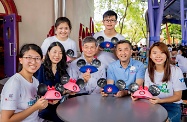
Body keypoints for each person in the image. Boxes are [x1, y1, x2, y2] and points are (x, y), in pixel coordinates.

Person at [1, 44, 48, 122]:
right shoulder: (14, 84)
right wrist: (35, 107)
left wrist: (45, 103)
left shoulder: (35, 81)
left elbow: (34, 111)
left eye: (37, 58)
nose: (33, 62)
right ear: (21, 60)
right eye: (28, 57)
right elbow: (5, 120)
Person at [144, 42, 186, 122]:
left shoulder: (176, 70)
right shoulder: (148, 71)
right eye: (154, 53)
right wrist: (138, 95)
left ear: (167, 55)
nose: (158, 56)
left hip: (173, 106)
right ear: (150, 56)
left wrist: (160, 100)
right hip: (154, 105)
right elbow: (146, 91)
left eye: (162, 53)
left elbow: (178, 96)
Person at [35, 42, 68, 122]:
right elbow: (37, 89)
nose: (57, 55)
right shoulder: (41, 68)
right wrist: (49, 100)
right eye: (54, 52)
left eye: (60, 53)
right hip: (44, 106)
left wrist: (68, 91)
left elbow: (65, 88)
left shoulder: (63, 70)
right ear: (48, 52)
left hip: (60, 105)